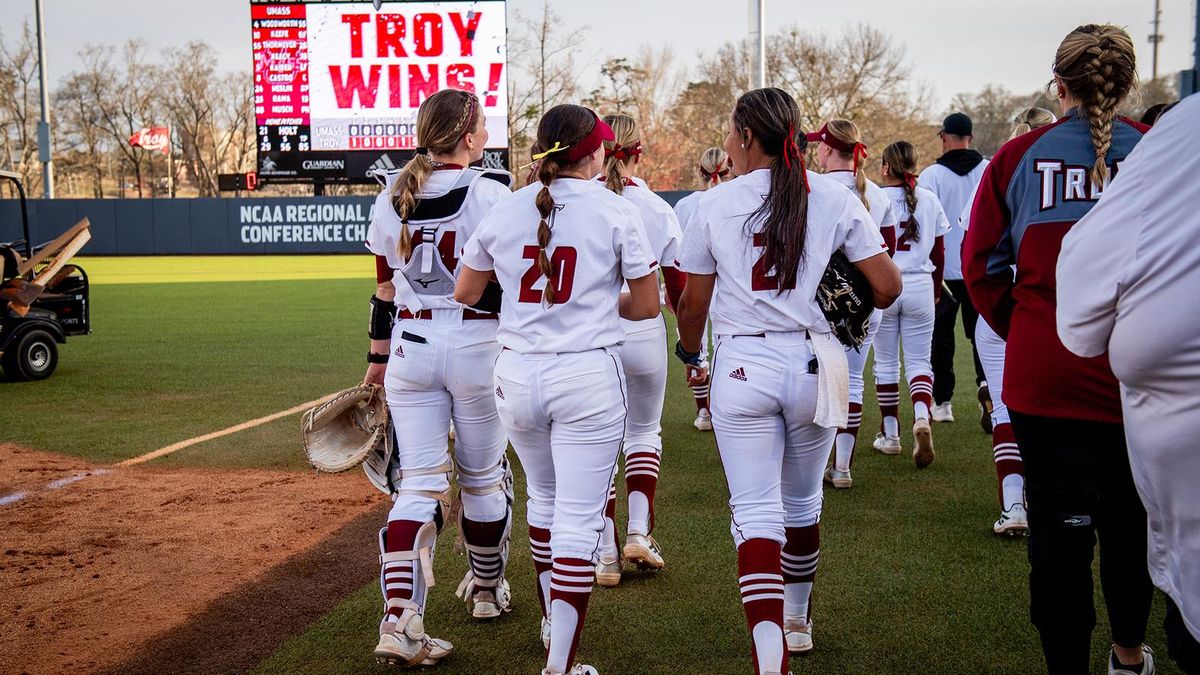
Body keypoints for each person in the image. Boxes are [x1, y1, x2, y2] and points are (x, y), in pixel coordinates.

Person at [674, 87, 901, 673]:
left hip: (744, 364)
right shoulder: (832, 196)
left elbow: (693, 307)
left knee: (754, 512)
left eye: (730, 131)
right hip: (814, 360)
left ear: (748, 137)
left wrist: (689, 353)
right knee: (801, 504)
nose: (726, 141)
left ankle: (771, 657)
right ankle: (797, 621)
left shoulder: (715, 203)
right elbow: (888, 286)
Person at [962, 24, 1155, 674]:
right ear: (1127, 84)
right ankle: (1129, 655)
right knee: (1132, 527)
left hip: (1048, 376)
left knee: (1058, 536)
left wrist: (1030, 327)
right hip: (1143, 374)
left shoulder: (1017, 157)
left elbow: (981, 266)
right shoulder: (1159, 152)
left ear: (1058, 84)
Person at [455, 103, 662, 675]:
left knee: (544, 504)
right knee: (578, 518)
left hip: (517, 373)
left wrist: (535, 304)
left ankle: (553, 622)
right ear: (595, 152)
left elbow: (466, 292)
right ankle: (560, 664)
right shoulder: (616, 208)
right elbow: (646, 306)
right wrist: (588, 302)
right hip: (586, 374)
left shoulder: (507, 206)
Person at [362, 89, 515, 667]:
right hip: (478, 343)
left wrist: (376, 364)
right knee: (482, 480)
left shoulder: (390, 196)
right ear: (470, 136)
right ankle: (485, 590)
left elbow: (382, 289)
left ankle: (399, 619)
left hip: (410, 347)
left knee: (418, 485)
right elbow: (513, 281)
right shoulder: (491, 194)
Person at [1056, 94, 1200, 675]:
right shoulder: (1165, 134)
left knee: (1072, 534)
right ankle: (1128, 652)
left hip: (1064, 379)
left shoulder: (1174, 134)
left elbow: (1077, 316)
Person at [594, 113, 685, 587]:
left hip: (593, 337)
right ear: (639, 153)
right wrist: (692, 349)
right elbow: (678, 289)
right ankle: (638, 533)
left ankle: (606, 553)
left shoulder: (575, 203)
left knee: (601, 442)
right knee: (644, 432)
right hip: (644, 330)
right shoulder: (655, 208)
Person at [960, 106, 1056, 536]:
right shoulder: (1087, 163)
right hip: (1064, 308)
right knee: (1061, 413)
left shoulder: (1002, 167)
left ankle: (1014, 504)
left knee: (1005, 409)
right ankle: (1056, 502)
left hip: (1006, 309)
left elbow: (973, 246)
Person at [807, 119, 898, 488]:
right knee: (854, 382)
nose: (815, 149)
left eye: (819, 145)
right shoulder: (877, 193)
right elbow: (888, 252)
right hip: (867, 301)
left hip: (823, 301)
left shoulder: (813, 189)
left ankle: (812, 469)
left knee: (817, 382)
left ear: (828, 149)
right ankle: (842, 466)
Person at [870, 141, 949, 469]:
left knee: (886, 364)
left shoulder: (874, 197)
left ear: (887, 167)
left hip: (885, 286)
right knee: (919, 361)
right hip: (919, 284)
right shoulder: (928, 199)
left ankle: (890, 435)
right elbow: (939, 252)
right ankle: (921, 416)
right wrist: (935, 290)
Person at [919, 111, 989, 429]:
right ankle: (987, 393)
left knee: (941, 338)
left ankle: (943, 402)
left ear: (945, 137)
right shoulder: (988, 169)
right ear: (970, 138)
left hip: (942, 270)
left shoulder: (932, 175)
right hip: (979, 265)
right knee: (983, 337)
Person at [672, 147, 731, 432]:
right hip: (728, 283)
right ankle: (719, 409)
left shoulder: (685, 205)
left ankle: (704, 411)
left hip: (694, 281)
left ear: (700, 172)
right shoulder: (734, 198)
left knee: (697, 347)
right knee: (724, 344)